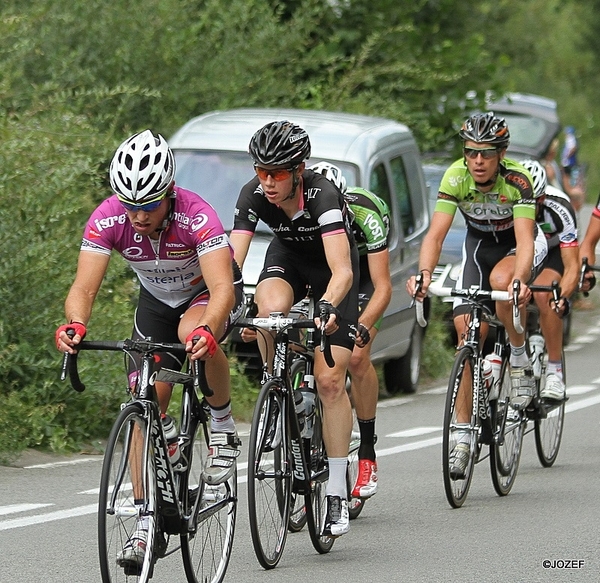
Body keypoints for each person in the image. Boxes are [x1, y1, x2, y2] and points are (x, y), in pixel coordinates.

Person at [55, 130, 244, 568]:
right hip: (157, 300)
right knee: (145, 403)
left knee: (190, 332)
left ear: (169, 193)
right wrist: (75, 324)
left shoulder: (197, 216)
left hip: (207, 295)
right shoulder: (107, 218)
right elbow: (84, 286)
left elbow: (221, 290)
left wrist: (210, 330)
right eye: (129, 205)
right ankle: (145, 523)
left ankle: (221, 425)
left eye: (148, 205)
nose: (137, 216)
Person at [229, 121, 359, 537]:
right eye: (261, 170)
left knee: (330, 382)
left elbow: (341, 271)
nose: (267, 181)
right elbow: (232, 262)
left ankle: (337, 490)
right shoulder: (253, 192)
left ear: (298, 169)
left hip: (330, 270)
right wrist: (231, 306)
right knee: (268, 309)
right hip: (288, 256)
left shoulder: (324, 195)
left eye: (278, 173)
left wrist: (327, 307)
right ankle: (277, 388)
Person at [406, 112, 546, 480]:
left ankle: (518, 359)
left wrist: (519, 280)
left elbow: (527, 239)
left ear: (501, 154)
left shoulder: (518, 180)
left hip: (517, 245)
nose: (478, 161)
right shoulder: (456, 176)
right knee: (466, 330)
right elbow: (435, 236)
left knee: (504, 285)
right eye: (471, 152)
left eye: (486, 153)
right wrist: (423, 275)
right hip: (478, 246)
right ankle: (464, 436)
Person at [309, 161, 392, 500]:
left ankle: (368, 452)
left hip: (366, 279)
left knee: (357, 356)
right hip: (330, 278)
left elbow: (383, 287)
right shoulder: (310, 218)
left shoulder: (366, 214)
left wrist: (362, 324)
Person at [520, 160, 579, 401]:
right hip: (519, 248)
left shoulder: (560, 207)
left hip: (553, 253)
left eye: (532, 202)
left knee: (545, 295)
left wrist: (561, 297)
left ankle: (555, 370)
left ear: (542, 199)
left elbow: (572, 265)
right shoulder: (504, 202)